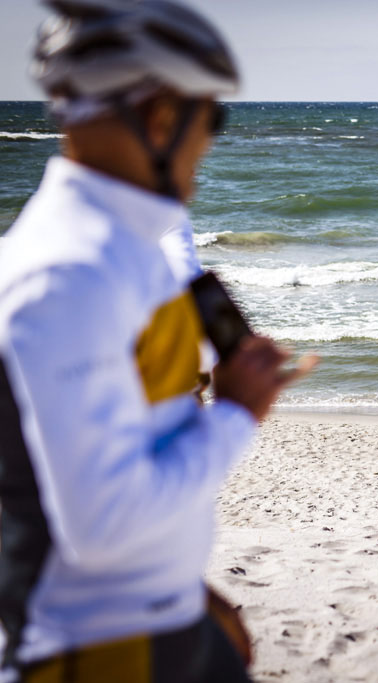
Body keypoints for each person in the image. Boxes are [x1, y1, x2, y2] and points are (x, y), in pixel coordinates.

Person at [0, 1, 313, 681]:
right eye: (215, 119)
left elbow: (134, 446)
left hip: (158, 621)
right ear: (163, 117)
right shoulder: (65, 276)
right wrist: (237, 411)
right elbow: (105, 523)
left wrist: (190, 594)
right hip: (98, 652)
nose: (211, 142)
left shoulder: (128, 251)